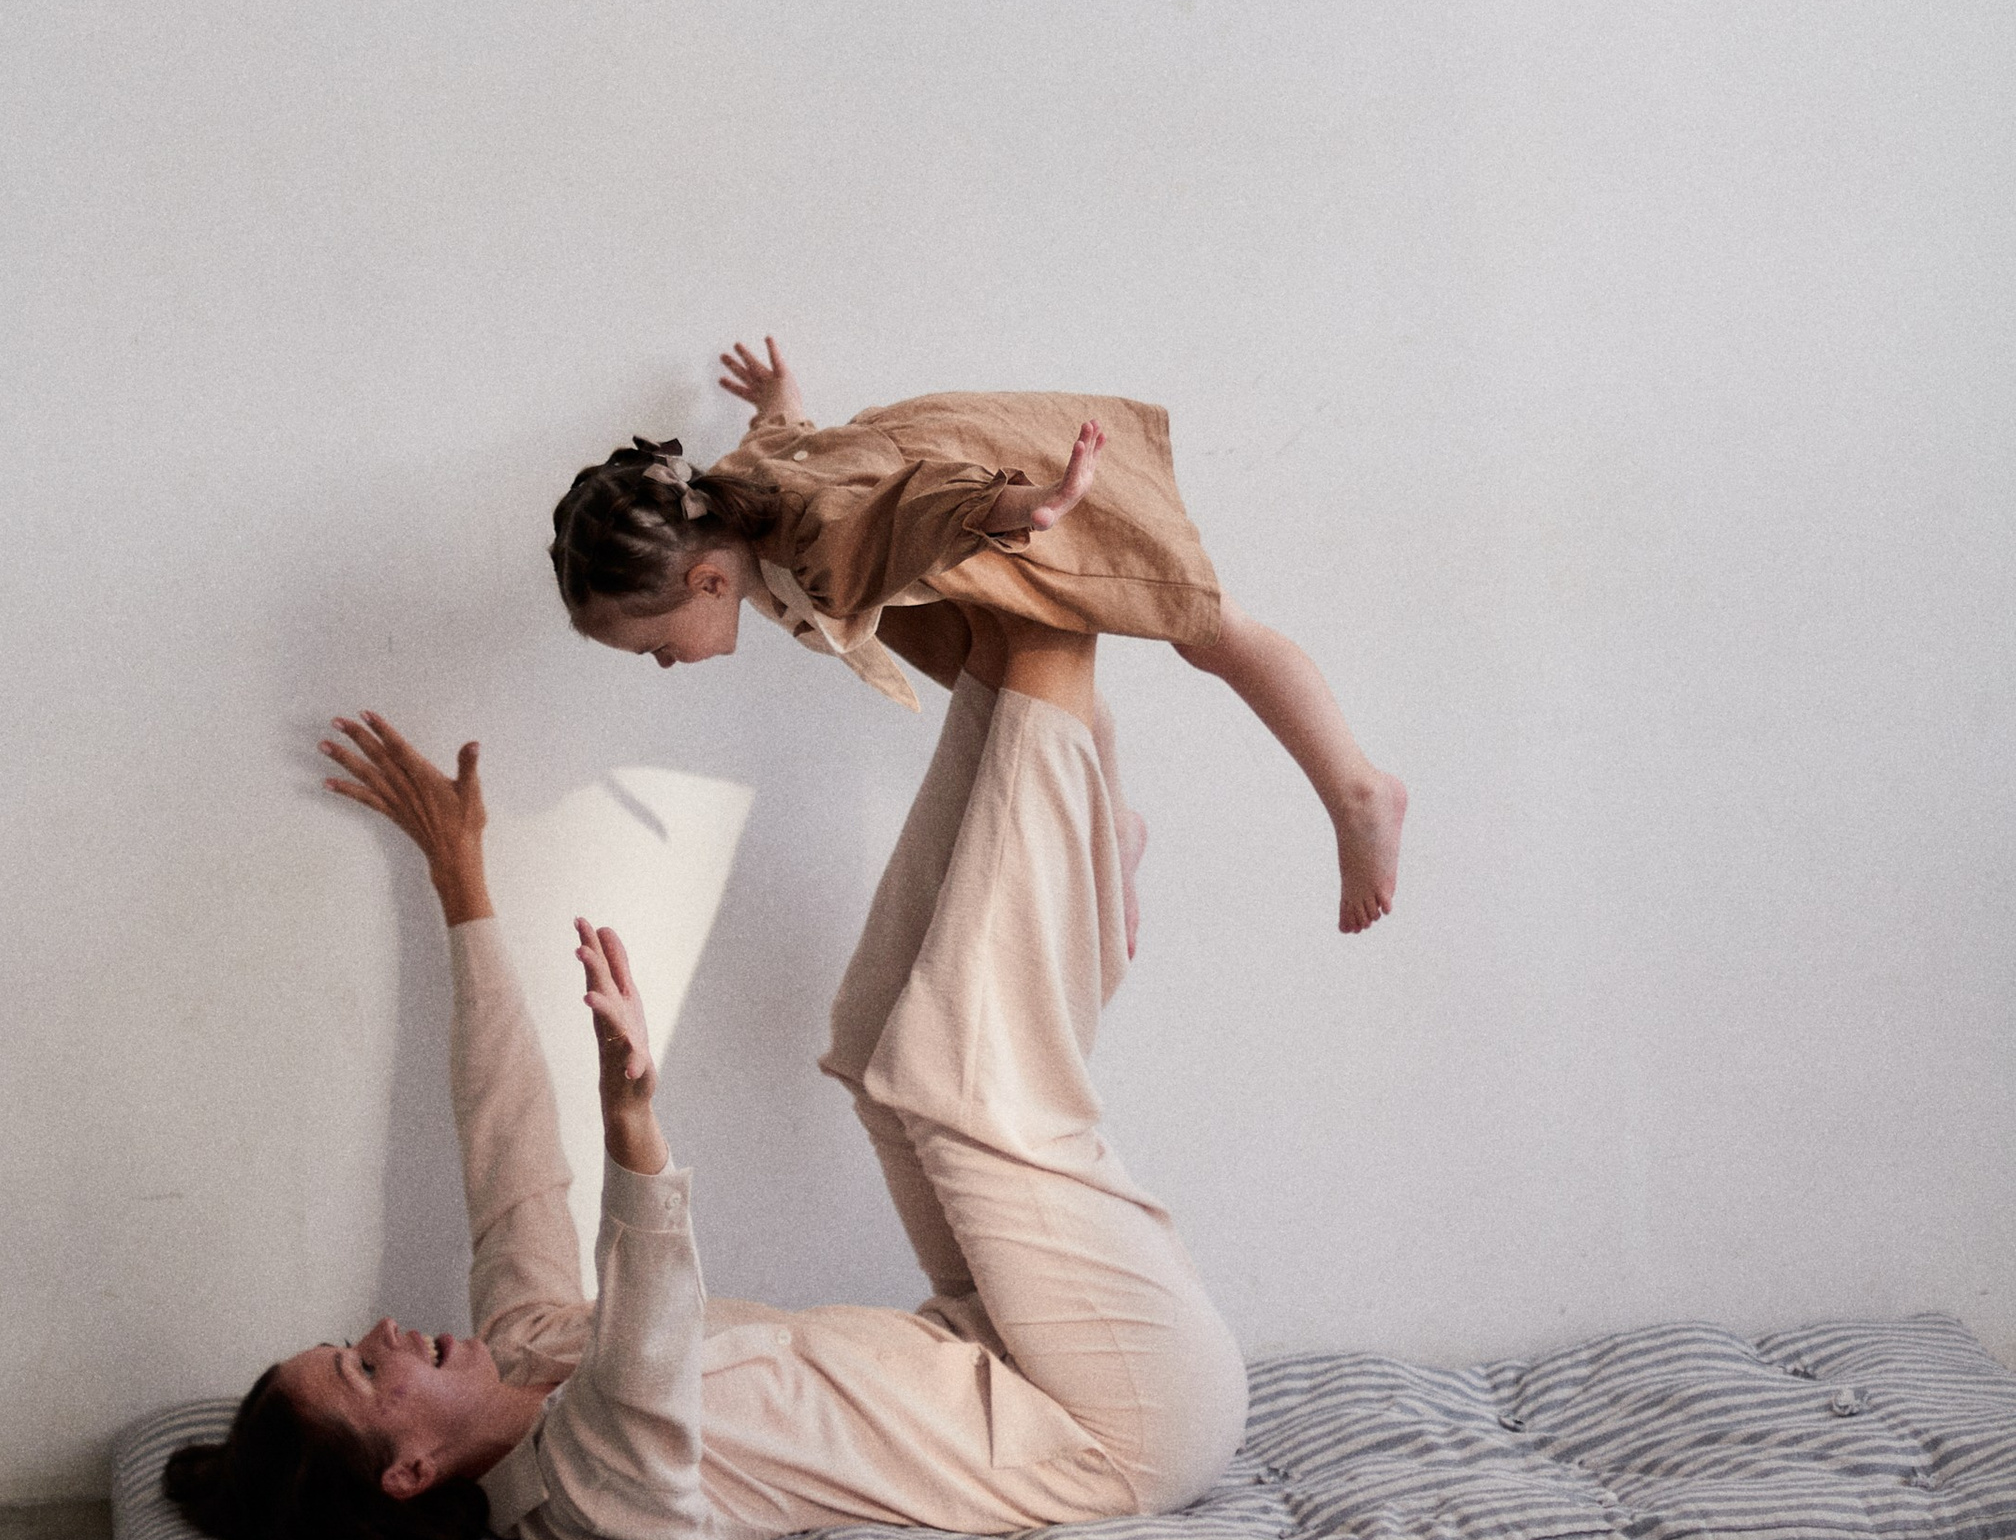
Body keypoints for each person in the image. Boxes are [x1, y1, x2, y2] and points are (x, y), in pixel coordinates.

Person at [164, 619, 1247, 1540]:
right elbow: (643, 1337)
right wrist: (631, 1119)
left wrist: (461, 884)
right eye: (363, 1370)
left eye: (350, 1346)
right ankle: (1054, 654)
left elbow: (509, 1162)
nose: (387, 1330)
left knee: (873, 1047)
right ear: (407, 1471)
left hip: (991, 1338)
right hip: (1121, 1423)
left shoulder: (527, 1350)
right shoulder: (587, 1493)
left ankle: (1014, 686)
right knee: (951, 1077)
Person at [550, 337, 1407, 935]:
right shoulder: (736, 494)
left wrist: (1026, 506)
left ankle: (1358, 789)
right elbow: (783, 439)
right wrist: (779, 395)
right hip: (951, 563)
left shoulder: (821, 539)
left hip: (1009, 495)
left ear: (707, 582)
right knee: (1035, 702)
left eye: (658, 646)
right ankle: (1116, 830)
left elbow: (920, 505)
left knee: (1200, 623)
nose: (667, 664)